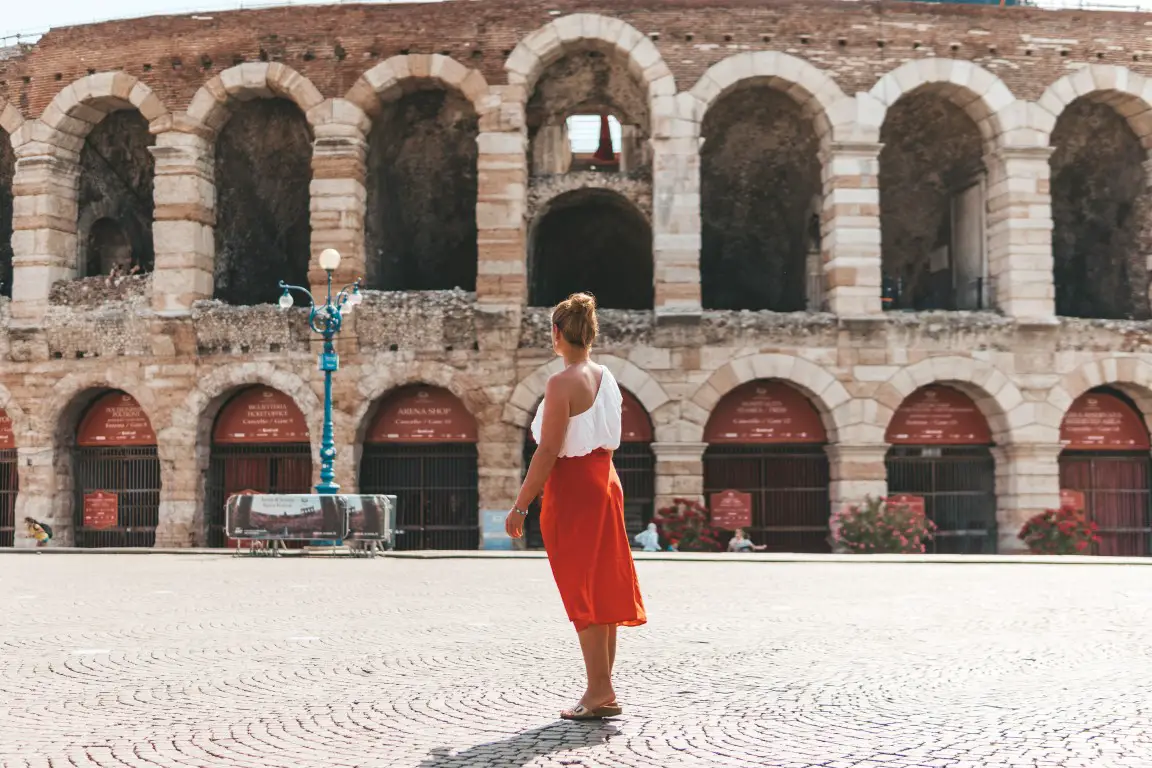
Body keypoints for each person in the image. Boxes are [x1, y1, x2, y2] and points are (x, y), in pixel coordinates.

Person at [505, 292, 646, 721]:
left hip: (574, 489)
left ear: (556, 333)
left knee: (581, 587)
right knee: (603, 584)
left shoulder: (560, 383)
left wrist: (520, 506)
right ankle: (603, 687)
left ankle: (599, 690)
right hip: (605, 481)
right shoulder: (607, 377)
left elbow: (547, 451)